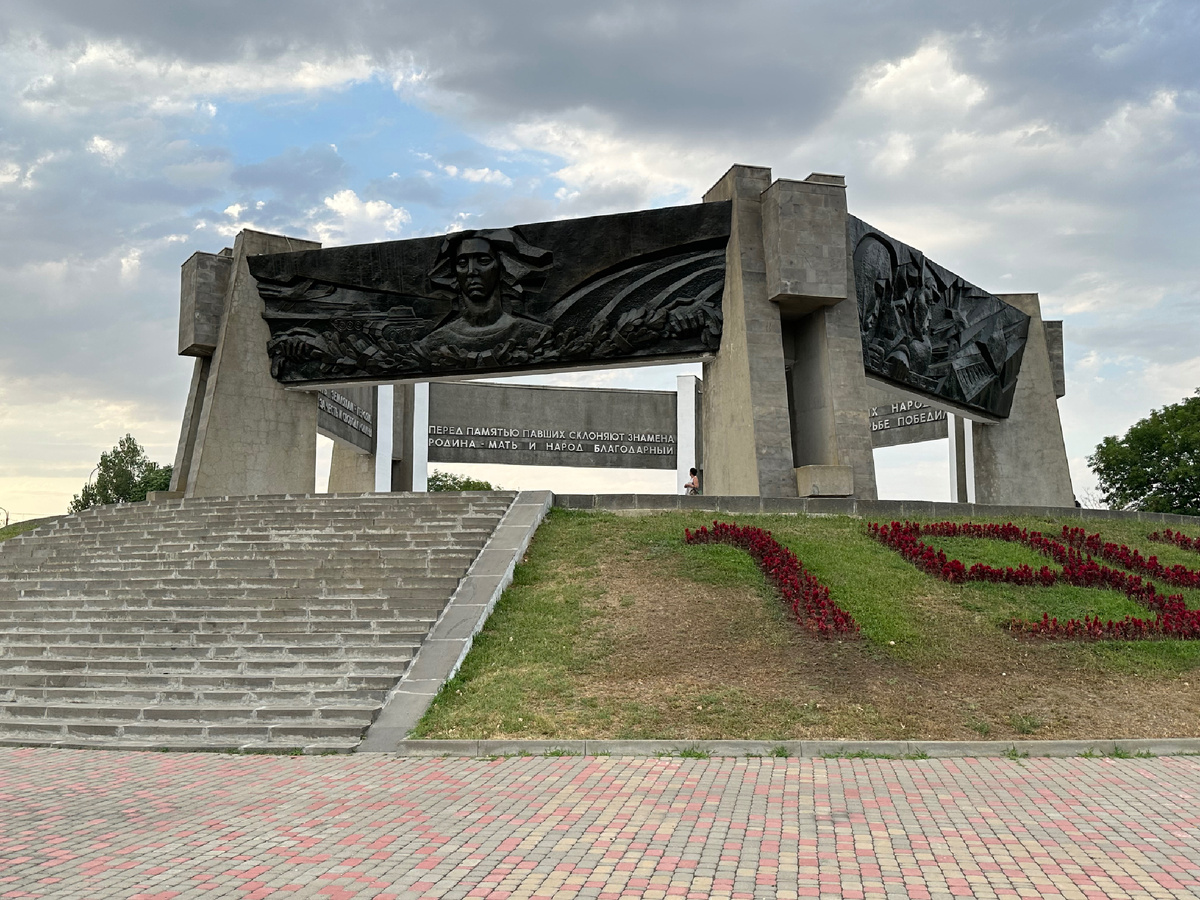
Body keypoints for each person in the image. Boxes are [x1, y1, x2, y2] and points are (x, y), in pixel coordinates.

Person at [415, 230, 553, 361]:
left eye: (483, 261)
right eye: (462, 263)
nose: (471, 271)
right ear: (454, 273)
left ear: (502, 267)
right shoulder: (432, 343)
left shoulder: (537, 334)